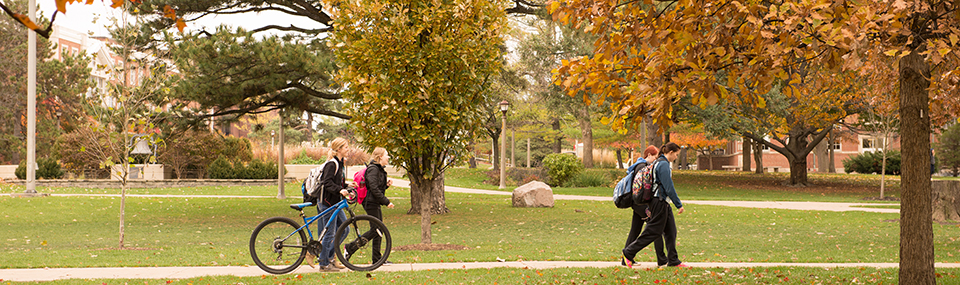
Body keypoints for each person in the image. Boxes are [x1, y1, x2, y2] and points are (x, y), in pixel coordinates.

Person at [622, 142, 688, 268]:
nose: (676, 157)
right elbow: (669, 187)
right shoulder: (662, 164)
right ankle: (628, 252)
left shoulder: (659, 162)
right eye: (676, 155)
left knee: (671, 231)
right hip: (659, 202)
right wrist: (678, 204)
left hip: (662, 202)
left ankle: (673, 260)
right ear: (670, 153)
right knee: (653, 231)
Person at [345, 147, 395, 264]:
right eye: (386, 155)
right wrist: (386, 201)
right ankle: (350, 247)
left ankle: (377, 259)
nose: (388, 157)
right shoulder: (373, 169)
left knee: (378, 229)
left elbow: (376, 186)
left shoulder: (378, 169)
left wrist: (386, 185)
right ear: (380, 157)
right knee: (376, 229)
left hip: (374, 202)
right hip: (371, 203)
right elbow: (373, 188)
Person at [621, 145, 667, 266]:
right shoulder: (642, 167)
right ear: (649, 155)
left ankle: (626, 258)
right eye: (655, 157)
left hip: (637, 204)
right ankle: (662, 259)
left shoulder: (637, 166)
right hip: (642, 205)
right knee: (655, 229)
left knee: (635, 230)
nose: (656, 160)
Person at [317, 137, 353, 271]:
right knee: (330, 234)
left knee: (345, 229)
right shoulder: (331, 164)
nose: (348, 149)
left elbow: (337, 182)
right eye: (345, 147)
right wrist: (340, 189)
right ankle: (324, 263)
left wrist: (347, 185)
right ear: (339, 149)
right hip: (327, 203)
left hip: (336, 203)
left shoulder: (339, 163)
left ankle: (329, 256)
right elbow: (327, 183)